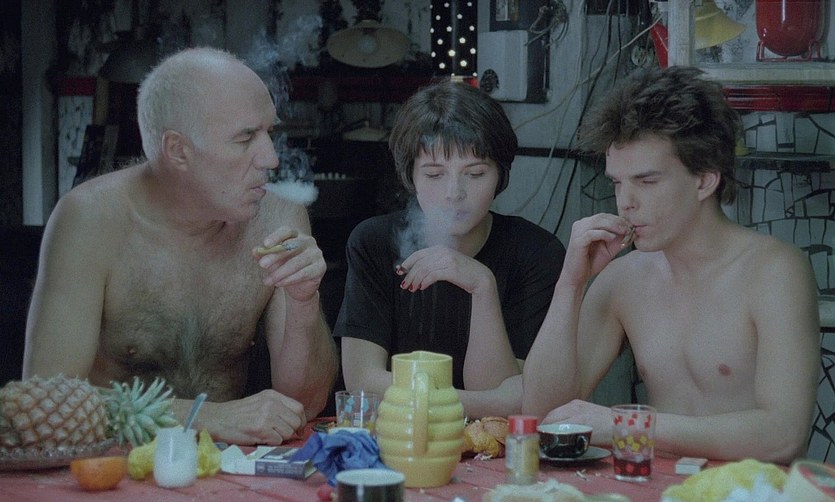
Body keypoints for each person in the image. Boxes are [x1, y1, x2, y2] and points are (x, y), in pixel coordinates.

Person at [23, 47, 338, 446]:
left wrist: (304, 301)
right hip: (111, 466)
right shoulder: (90, 219)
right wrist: (202, 416)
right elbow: (46, 400)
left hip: (223, 467)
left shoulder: (278, 218)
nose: (271, 159)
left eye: (269, 134)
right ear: (178, 151)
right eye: (245, 138)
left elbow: (305, 404)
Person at [522, 66, 820, 464]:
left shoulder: (775, 271)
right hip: (654, 486)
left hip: (750, 488)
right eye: (616, 182)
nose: (625, 202)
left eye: (646, 182)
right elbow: (542, 414)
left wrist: (628, 426)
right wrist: (571, 284)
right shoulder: (624, 277)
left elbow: (783, 435)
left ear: (704, 180)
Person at [335, 81, 566, 418]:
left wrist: (482, 286)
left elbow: (503, 412)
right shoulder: (375, 243)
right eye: (434, 174)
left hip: (491, 445)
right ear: (411, 176)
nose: (454, 193)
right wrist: (494, 402)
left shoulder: (536, 253)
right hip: (397, 435)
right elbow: (363, 384)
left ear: (500, 175)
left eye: (475, 173)